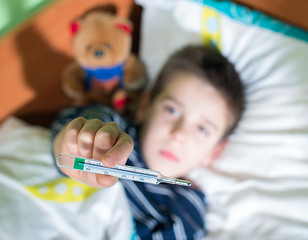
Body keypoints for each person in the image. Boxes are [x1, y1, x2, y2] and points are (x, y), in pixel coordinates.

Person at [51, 44, 245, 239]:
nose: (179, 134)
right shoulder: (112, 130)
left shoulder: (187, 209)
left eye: (202, 129)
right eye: (172, 110)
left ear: (214, 152)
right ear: (145, 105)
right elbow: (70, 135)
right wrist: (78, 145)